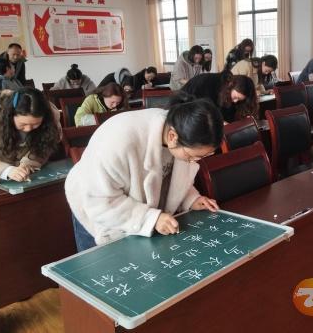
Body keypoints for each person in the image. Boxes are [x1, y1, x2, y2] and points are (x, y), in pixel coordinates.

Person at [65, 95, 223, 251]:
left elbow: (169, 175)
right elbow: (100, 201)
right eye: (191, 156)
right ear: (172, 137)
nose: (193, 161)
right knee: (103, 264)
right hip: (99, 210)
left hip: (138, 211)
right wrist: (150, 219)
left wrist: (191, 199)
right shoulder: (119, 141)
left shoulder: (180, 129)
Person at [0, 88, 61, 183]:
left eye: (35, 124)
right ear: (10, 115)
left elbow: (45, 144)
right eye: (23, 124)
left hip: (27, 170)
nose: (28, 129)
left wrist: (28, 164)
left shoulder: (50, 116)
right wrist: (6, 170)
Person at [182, 72, 257, 122]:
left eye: (239, 100)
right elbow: (204, 113)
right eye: (235, 97)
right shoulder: (208, 85)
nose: (235, 101)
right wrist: (221, 122)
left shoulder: (227, 93)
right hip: (186, 113)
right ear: (230, 87)